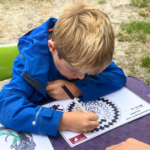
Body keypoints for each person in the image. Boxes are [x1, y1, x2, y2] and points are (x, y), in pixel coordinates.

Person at [0, 0, 126, 137]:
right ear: (52, 47)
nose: (82, 77)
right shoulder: (30, 63)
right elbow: (6, 107)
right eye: (75, 70)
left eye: (89, 72)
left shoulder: (85, 54)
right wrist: (62, 121)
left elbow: (117, 75)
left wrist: (78, 88)